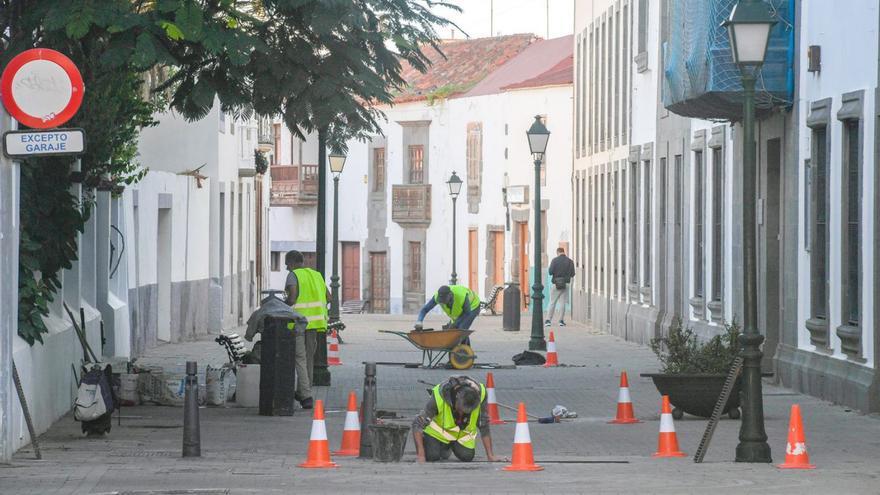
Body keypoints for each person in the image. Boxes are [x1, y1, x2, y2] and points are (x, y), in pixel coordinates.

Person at [412, 375, 505, 463]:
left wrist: (490, 456)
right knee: (432, 456)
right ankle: (440, 445)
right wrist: (421, 456)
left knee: (467, 456)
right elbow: (417, 423)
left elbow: (483, 424)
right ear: (456, 397)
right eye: (460, 409)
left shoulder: (482, 395)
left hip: (461, 436)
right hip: (437, 433)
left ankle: (447, 447)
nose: (462, 413)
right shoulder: (439, 396)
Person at [284, 250, 331, 410]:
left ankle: (306, 395)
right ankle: (305, 390)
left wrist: (282, 305)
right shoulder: (317, 275)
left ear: (291, 263)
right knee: (309, 358)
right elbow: (329, 297)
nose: (286, 268)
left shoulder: (293, 275)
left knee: (300, 358)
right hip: (315, 325)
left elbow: (292, 298)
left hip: (298, 324)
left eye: (286, 265)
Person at [415, 285, 481, 336]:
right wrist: (419, 321)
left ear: (450, 295)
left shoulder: (461, 296)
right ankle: (459, 349)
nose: (442, 302)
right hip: (460, 310)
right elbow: (425, 309)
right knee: (452, 331)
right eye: (441, 301)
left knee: (461, 329)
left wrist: (455, 324)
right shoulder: (437, 297)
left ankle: (464, 351)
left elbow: (467, 313)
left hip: (473, 306)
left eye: (444, 300)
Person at [546, 247, 575, 327]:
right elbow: (573, 274)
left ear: (557, 252)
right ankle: (561, 321)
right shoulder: (570, 261)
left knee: (552, 302)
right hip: (566, 284)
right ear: (563, 252)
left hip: (556, 284)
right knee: (562, 303)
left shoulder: (554, 260)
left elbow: (550, 272)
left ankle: (548, 320)